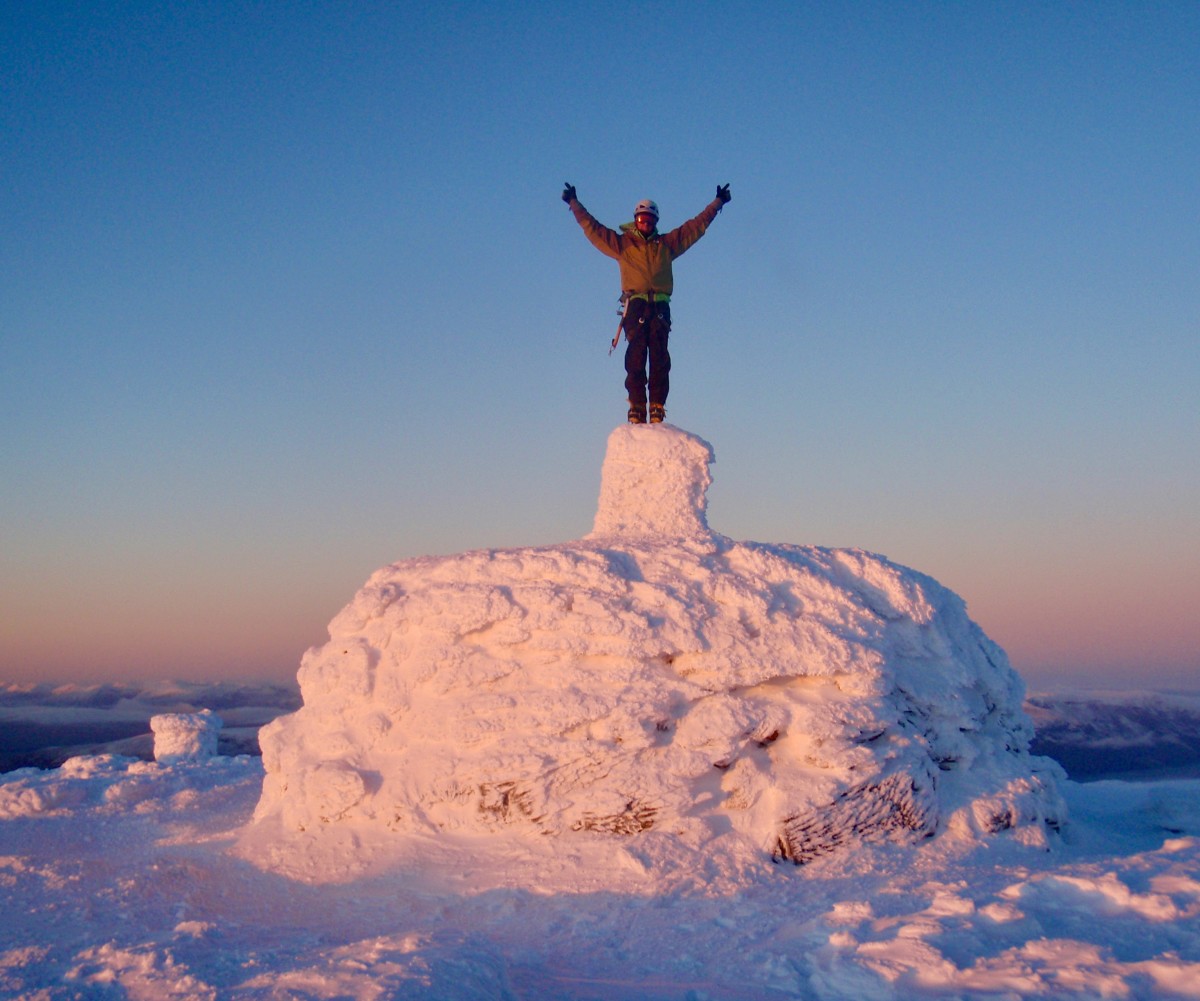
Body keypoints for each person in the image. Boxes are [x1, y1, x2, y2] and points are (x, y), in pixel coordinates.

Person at [562, 183, 731, 424]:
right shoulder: (623, 245)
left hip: (660, 307)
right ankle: (637, 407)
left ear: (655, 221)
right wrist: (574, 203)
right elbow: (594, 230)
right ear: (635, 219)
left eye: (650, 220)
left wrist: (717, 203)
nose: (645, 224)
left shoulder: (666, 245)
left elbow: (694, 227)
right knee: (636, 356)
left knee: (660, 358)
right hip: (636, 306)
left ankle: (657, 407)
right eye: (642, 219)